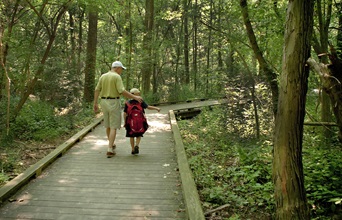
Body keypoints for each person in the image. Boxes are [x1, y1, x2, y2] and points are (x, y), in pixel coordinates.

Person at [93, 61, 143, 158]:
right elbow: (121, 91)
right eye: (121, 69)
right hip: (113, 102)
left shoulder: (103, 76)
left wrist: (95, 103)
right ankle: (110, 149)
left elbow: (97, 89)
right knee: (113, 126)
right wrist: (135, 97)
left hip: (103, 102)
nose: (122, 71)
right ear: (117, 68)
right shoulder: (116, 77)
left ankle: (111, 144)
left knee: (107, 125)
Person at [124, 88, 161, 155]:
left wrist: (125, 122)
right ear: (135, 94)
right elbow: (148, 107)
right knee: (139, 134)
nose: (139, 94)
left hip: (130, 122)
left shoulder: (127, 103)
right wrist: (156, 108)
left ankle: (132, 149)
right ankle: (137, 145)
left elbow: (125, 113)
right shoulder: (140, 101)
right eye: (138, 93)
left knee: (131, 136)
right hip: (140, 121)